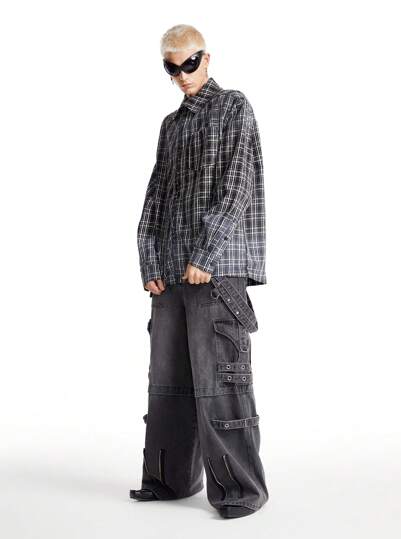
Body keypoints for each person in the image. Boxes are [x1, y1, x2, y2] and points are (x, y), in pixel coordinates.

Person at [129, 24, 269, 519]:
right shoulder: (171, 125)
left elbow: (237, 187)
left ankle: (239, 492)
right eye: (172, 68)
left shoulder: (233, 107)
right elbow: (155, 197)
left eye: (189, 63)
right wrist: (150, 262)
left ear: (206, 58)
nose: (182, 75)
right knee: (167, 382)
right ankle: (168, 481)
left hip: (217, 269)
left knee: (220, 382)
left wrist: (204, 256)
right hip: (171, 271)